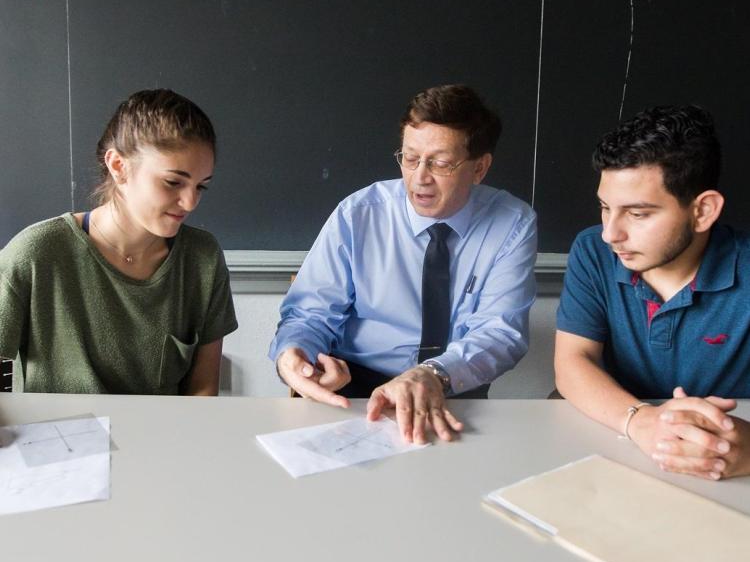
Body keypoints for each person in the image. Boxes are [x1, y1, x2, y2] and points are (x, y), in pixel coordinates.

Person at [269, 84, 537, 443]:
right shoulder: (359, 214)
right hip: (355, 387)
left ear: (480, 168)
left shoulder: (513, 223)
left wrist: (433, 373)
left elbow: (501, 332)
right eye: (410, 158)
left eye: (440, 163)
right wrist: (295, 354)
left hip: (450, 387)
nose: (420, 177)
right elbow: (310, 314)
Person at [555, 105, 750, 480]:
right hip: (615, 442)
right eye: (605, 208)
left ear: (703, 211)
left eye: (638, 214)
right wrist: (643, 422)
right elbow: (573, 361)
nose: (611, 233)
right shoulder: (593, 250)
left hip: (719, 461)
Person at [0, 89, 237, 395]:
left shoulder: (202, 259)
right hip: (58, 438)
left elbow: (203, 391)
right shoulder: (36, 253)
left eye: (201, 186)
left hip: (162, 440)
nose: (190, 202)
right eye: (173, 182)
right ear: (119, 166)